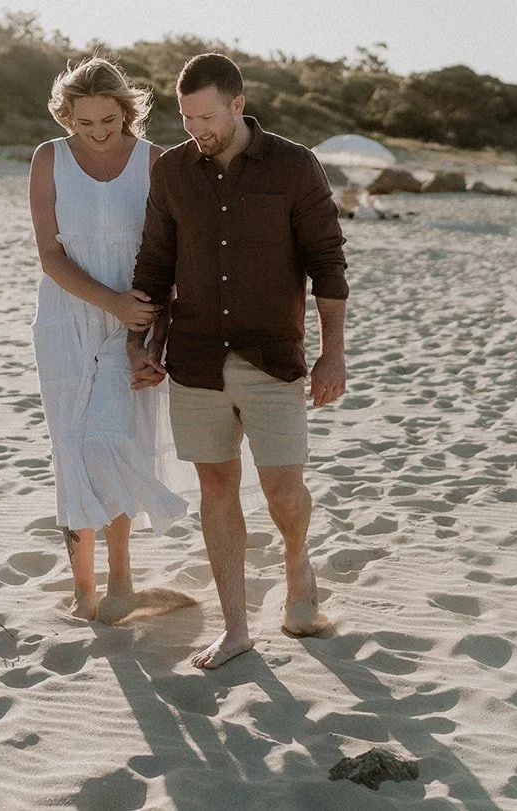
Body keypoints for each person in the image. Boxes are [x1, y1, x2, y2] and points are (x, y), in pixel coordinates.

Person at [130, 52, 348, 669]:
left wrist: (333, 354)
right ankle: (235, 628)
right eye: (185, 117)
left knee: (283, 488)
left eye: (206, 116)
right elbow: (154, 264)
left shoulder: (294, 165)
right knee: (216, 486)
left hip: (272, 357)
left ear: (237, 105)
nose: (196, 129)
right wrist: (139, 344)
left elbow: (328, 263)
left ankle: (297, 561)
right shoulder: (172, 172)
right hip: (195, 358)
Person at [30, 56, 189, 623]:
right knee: (72, 446)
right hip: (64, 321)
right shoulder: (48, 158)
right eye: (83, 122)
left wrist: (144, 330)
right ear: (66, 115)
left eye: (109, 121)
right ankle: (82, 589)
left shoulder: (157, 163)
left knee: (122, 442)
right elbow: (50, 255)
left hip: (139, 320)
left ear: (128, 113)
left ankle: (122, 581)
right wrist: (111, 303)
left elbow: (170, 258)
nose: (97, 133)